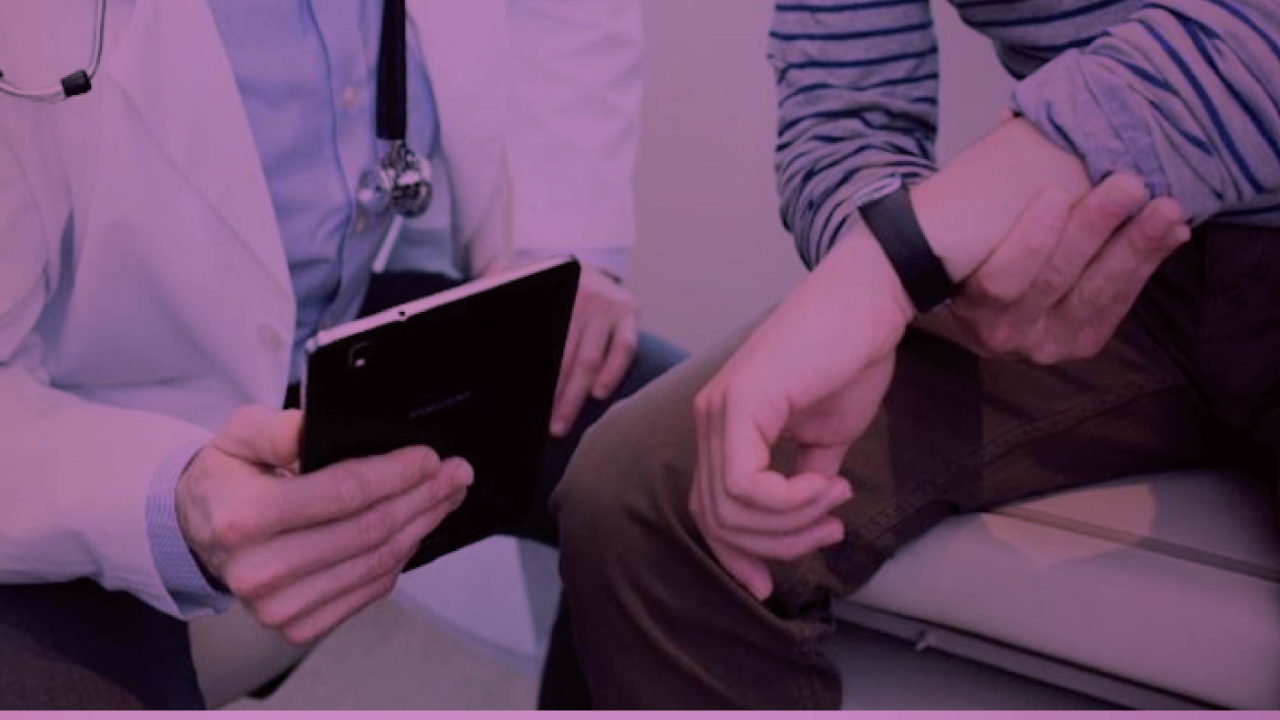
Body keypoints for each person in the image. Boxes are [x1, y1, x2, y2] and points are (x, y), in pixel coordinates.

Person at [552, 0, 1280, 709]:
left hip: (1122, 188)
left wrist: (893, 264)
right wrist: (908, 267)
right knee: (647, 492)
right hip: (1096, 240)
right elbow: (843, 105)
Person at [0, 0, 681, 709]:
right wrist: (170, 503)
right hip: (66, 437)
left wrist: (564, 239)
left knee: (679, 484)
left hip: (334, 329)